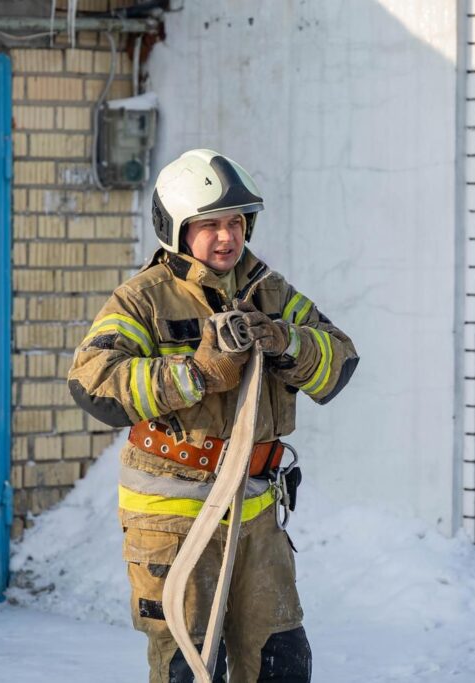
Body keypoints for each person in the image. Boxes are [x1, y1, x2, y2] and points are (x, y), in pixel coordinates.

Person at [68, 149, 359, 682]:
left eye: (236, 223)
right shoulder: (143, 300)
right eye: (210, 225)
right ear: (177, 230)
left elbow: (340, 362)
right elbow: (94, 384)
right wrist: (196, 374)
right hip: (174, 523)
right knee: (190, 668)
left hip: (257, 518)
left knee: (282, 664)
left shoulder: (268, 290)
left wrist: (288, 342)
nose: (227, 238)